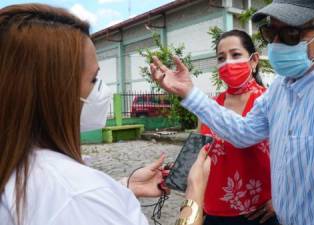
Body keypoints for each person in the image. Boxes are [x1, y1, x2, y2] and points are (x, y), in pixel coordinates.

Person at [150, 0, 314, 224]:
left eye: (290, 35)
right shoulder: (281, 87)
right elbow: (244, 131)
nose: (276, 44)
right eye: (270, 33)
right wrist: (189, 93)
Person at [0, 4, 209, 225]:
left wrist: (125, 188)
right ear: (53, 92)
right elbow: (78, 202)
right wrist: (195, 193)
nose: (102, 89)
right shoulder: (78, 194)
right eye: (93, 79)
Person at [199, 30, 278, 225]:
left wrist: (281, 199)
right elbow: (199, 157)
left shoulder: (270, 101)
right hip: (213, 212)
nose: (228, 63)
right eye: (221, 58)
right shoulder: (210, 107)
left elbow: (293, 157)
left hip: (259, 213)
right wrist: (195, 203)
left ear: (253, 60)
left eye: (235, 55)